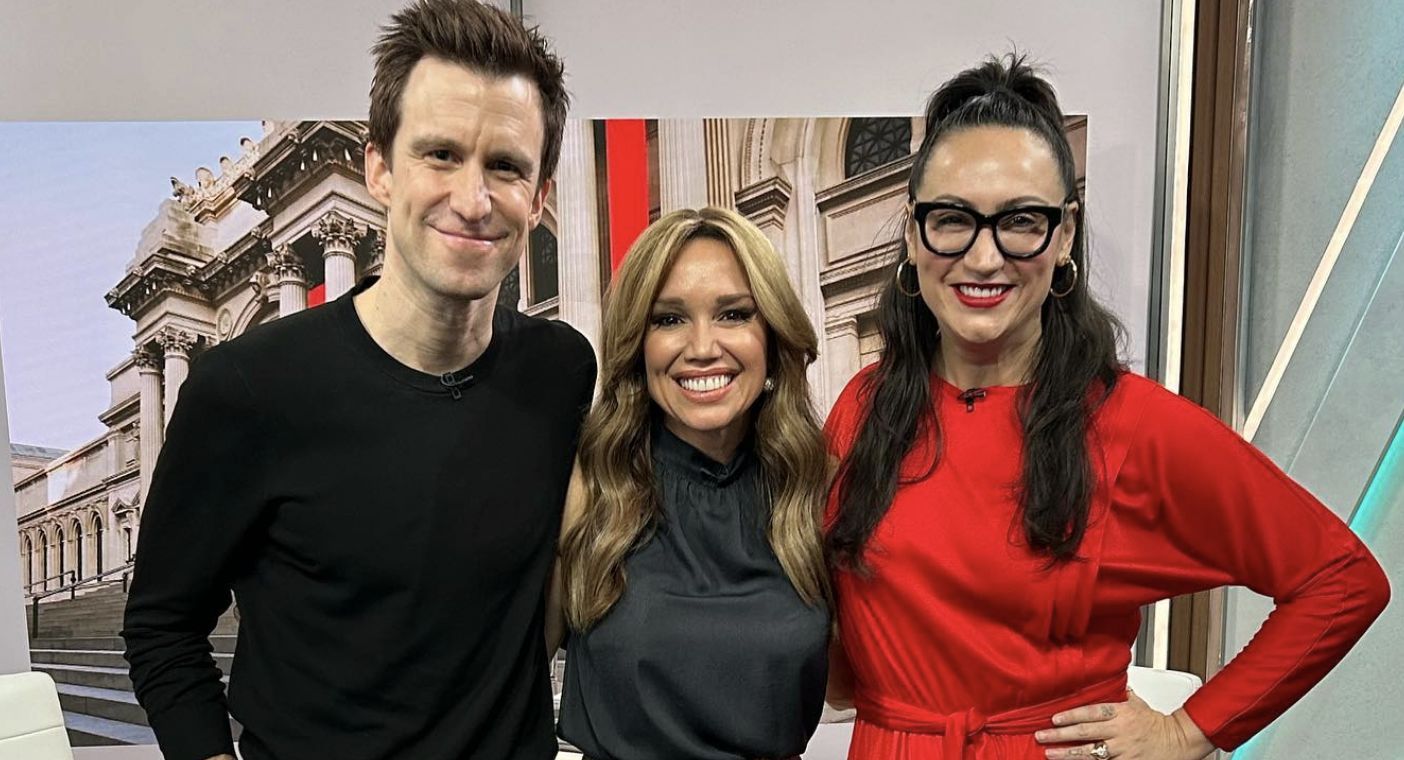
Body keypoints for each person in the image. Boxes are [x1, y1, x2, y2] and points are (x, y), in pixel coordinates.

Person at [823, 54, 1390, 760]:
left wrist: (1189, 729)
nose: (984, 257)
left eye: (1021, 222)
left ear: (1063, 238)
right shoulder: (862, 411)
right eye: (952, 219)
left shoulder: (1130, 425)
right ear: (913, 234)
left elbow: (1340, 580)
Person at [121, 2, 595, 759]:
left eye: (505, 165)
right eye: (439, 154)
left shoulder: (561, 370)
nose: (472, 200)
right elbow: (161, 624)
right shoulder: (244, 388)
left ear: (539, 197)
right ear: (379, 167)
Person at [548, 207, 831, 760]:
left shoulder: (815, 488)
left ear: (771, 335)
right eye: (669, 319)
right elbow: (501, 675)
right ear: (638, 345)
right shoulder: (589, 483)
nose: (702, 347)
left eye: (733, 314)